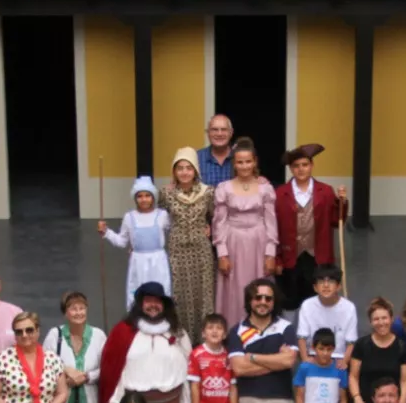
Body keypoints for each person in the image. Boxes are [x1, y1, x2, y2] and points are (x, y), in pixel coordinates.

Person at [99, 282, 192, 403]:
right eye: (149, 301)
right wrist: (114, 402)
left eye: (158, 301)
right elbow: (115, 373)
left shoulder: (178, 333)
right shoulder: (123, 332)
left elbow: (188, 368)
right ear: (140, 303)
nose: (153, 305)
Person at [213, 137, 277, 328]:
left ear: (255, 162)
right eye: (240, 162)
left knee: (259, 285)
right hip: (233, 242)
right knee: (235, 288)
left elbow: (271, 222)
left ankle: (260, 330)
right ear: (234, 164)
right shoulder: (224, 188)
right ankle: (234, 330)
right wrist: (222, 253)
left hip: (259, 241)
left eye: (248, 161)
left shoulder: (265, 188)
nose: (244, 166)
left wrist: (270, 253)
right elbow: (219, 223)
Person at [273, 143, 347, 311]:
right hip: (290, 256)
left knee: (317, 301)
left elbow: (337, 221)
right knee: (290, 300)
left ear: (312, 165)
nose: (301, 169)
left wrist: (342, 202)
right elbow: (274, 228)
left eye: (305, 165)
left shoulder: (325, 191)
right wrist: (276, 258)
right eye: (296, 166)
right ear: (291, 169)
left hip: (318, 256)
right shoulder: (280, 193)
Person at [229, 277, 300, 403]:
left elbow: (289, 361)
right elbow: (238, 368)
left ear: (274, 302)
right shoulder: (237, 330)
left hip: (282, 400)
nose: (263, 302)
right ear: (250, 301)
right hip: (249, 400)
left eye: (268, 298)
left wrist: (253, 357)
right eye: (258, 297)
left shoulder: (286, 327)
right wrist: (276, 361)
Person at [43, 291, 106, 403]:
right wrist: (65, 374)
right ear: (66, 313)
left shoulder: (98, 335)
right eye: (73, 308)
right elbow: (46, 364)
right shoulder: (55, 335)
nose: (78, 312)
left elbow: (107, 368)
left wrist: (87, 377)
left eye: (81, 308)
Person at [161, 147, 216, 335]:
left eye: (189, 168)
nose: (184, 172)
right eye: (180, 168)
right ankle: (181, 337)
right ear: (174, 171)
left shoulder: (208, 192)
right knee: (180, 294)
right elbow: (157, 219)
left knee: (204, 294)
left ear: (196, 171)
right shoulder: (166, 194)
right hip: (177, 250)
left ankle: (205, 338)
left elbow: (216, 217)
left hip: (201, 250)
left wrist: (210, 229)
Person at [99, 175, 173, 307]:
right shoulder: (129, 217)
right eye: (140, 196)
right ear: (135, 198)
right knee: (138, 292)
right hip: (138, 262)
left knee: (160, 291)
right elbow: (122, 241)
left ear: (153, 197)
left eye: (147, 195)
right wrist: (107, 232)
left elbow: (174, 232)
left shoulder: (162, 215)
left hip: (158, 261)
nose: (144, 199)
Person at [351, 297, 406, 403]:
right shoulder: (361, 345)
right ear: (371, 322)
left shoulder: (402, 347)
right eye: (376, 319)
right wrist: (357, 400)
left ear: (391, 319)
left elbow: (405, 380)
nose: (381, 322)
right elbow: (353, 377)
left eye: (384, 318)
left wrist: (402, 402)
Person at [295, 264, 357, 365]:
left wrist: (345, 362)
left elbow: (351, 341)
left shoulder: (349, 307)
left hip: (339, 358)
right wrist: (305, 359)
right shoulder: (307, 305)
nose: (326, 285)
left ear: (338, 286)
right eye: (321, 281)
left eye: (331, 281)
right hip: (313, 356)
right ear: (315, 287)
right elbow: (302, 337)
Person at [196, 113, 237, 186]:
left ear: (231, 133)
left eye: (224, 129)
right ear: (208, 132)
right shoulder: (196, 158)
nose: (219, 134)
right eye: (214, 129)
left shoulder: (240, 158)